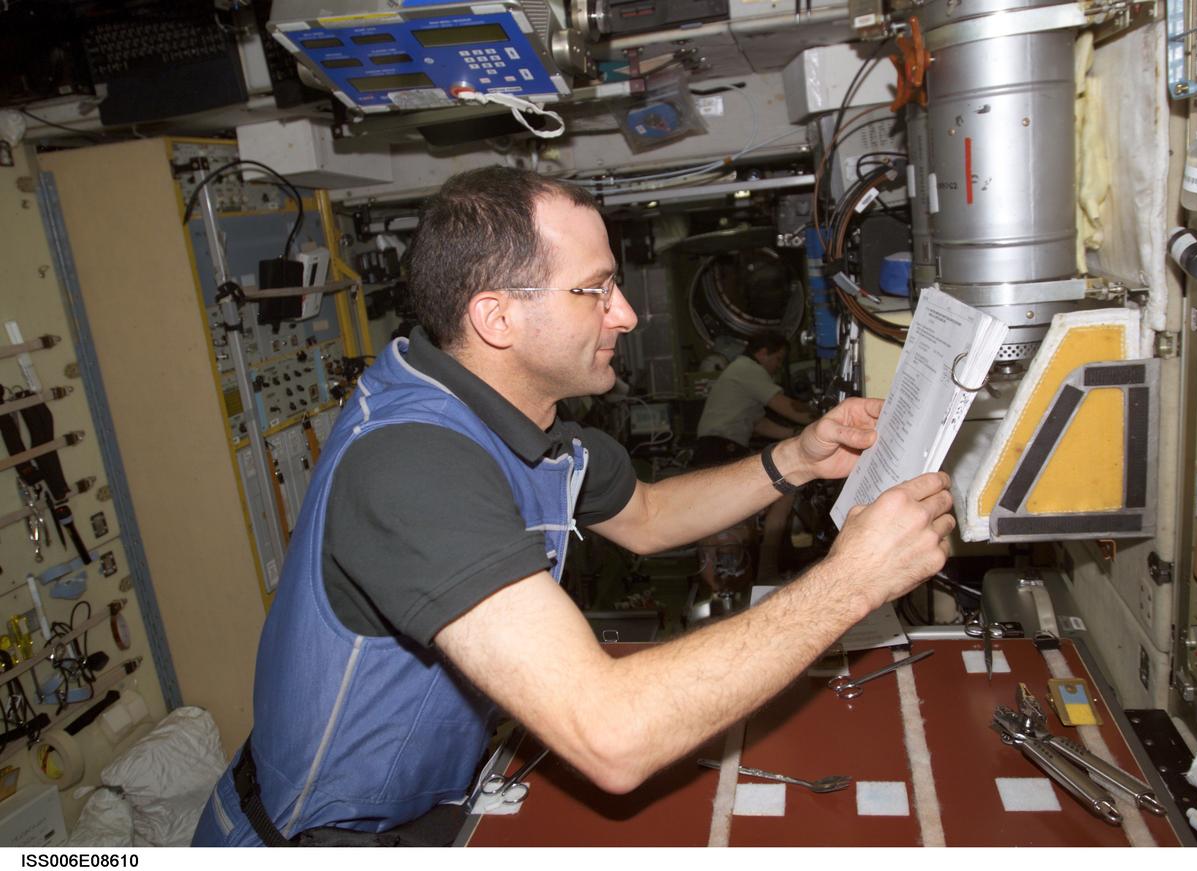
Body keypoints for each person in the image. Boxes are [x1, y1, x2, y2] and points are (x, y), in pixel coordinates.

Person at [192, 165, 953, 847]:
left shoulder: (535, 432)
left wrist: (795, 459)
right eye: (595, 290)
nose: (624, 314)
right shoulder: (412, 465)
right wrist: (853, 579)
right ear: (498, 318)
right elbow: (611, 734)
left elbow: (648, 515)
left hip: (426, 810)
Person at [692, 332, 814, 467]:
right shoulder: (749, 368)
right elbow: (785, 406)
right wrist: (821, 417)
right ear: (762, 353)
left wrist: (794, 434)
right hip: (719, 448)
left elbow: (758, 424)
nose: (779, 366)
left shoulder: (742, 369)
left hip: (713, 448)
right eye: (778, 359)